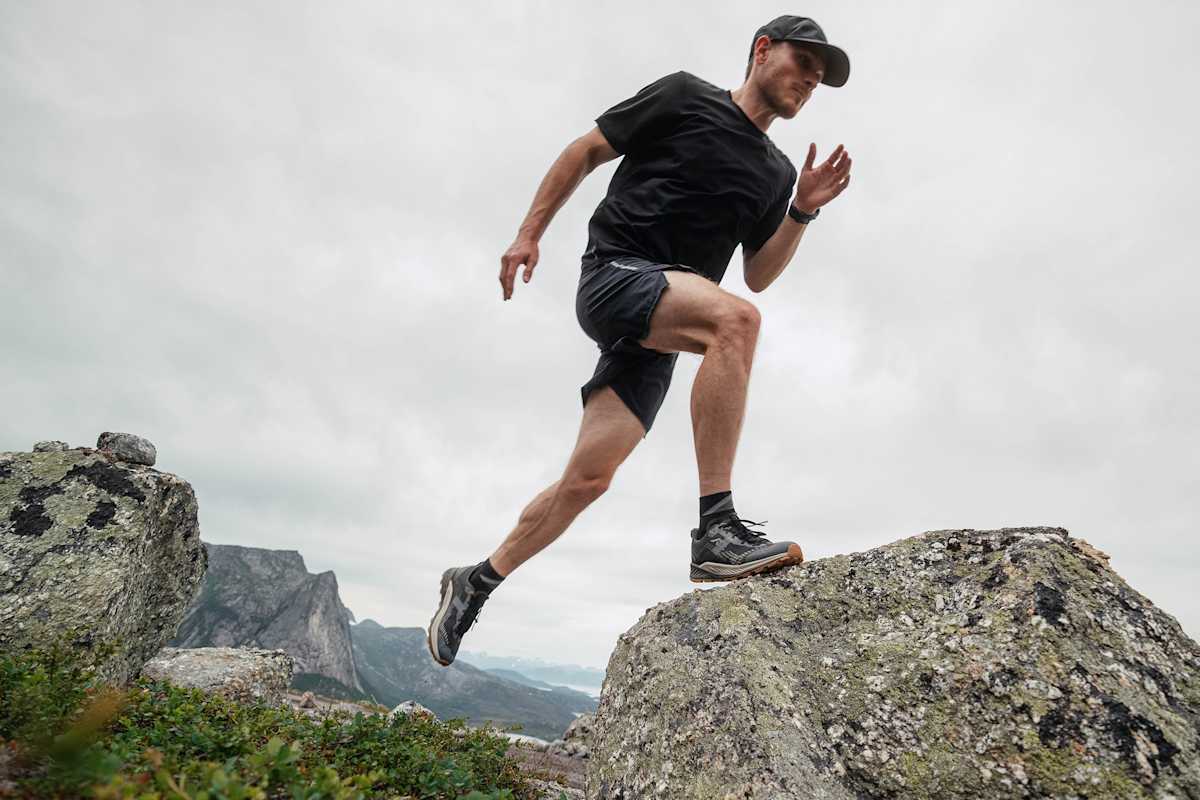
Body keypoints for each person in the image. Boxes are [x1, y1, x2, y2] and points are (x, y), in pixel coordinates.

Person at [429, 15, 852, 667]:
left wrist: (802, 208)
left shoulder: (776, 171)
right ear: (763, 50)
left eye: (819, 79)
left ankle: (475, 581)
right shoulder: (684, 96)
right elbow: (585, 151)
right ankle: (717, 527)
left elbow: (759, 273)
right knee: (737, 323)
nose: (810, 81)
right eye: (804, 64)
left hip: (662, 325)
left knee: (587, 480)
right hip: (616, 274)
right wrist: (528, 234)